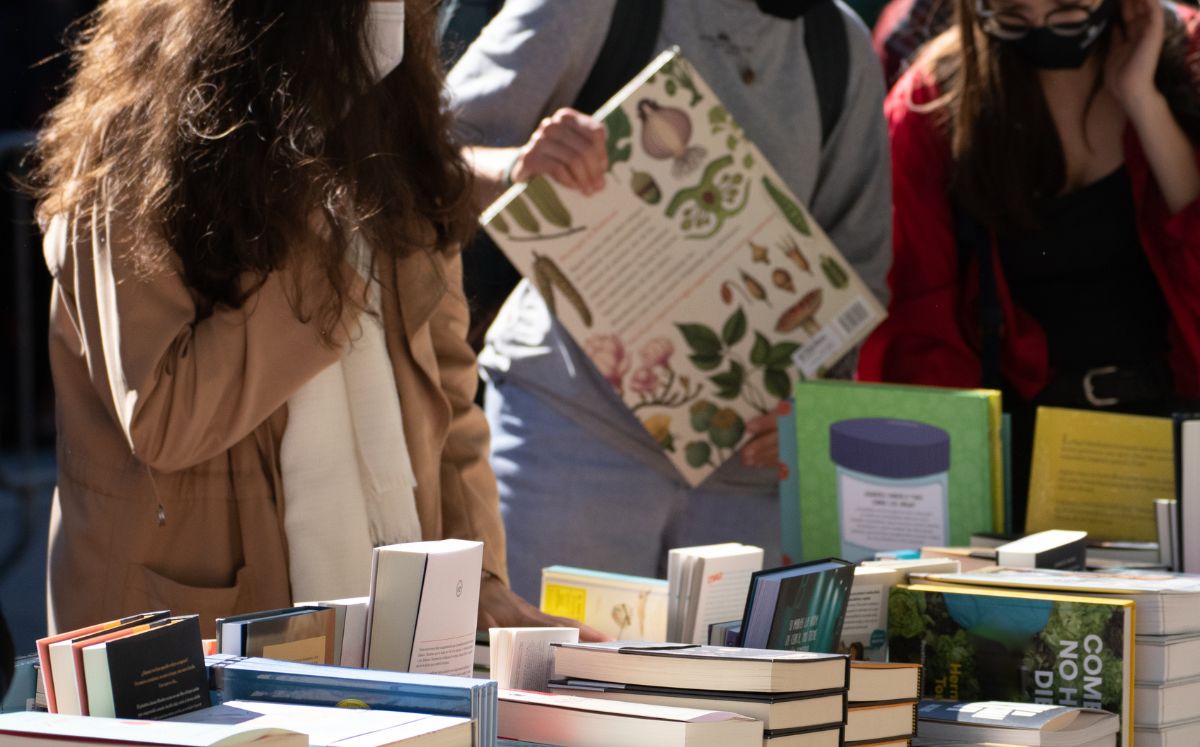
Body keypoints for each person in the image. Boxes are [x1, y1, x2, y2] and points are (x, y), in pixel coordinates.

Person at [31, 0, 585, 637]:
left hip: (388, 634)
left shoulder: (393, 138)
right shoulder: (132, 152)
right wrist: (314, 238)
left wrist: (477, 576)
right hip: (184, 644)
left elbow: (448, 400)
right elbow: (164, 418)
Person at [448, 0, 892, 602]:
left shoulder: (839, 43)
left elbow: (856, 270)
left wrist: (805, 402)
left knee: (736, 697)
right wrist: (518, 169)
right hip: (569, 439)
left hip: (747, 473)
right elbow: (424, 152)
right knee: (546, 688)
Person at [858, 0, 1200, 525]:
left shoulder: (1187, 57)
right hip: (1025, 462)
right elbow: (919, 329)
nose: (1041, 26)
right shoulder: (933, 101)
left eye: (1067, 9)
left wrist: (1143, 100)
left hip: (1182, 438)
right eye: (1012, 12)